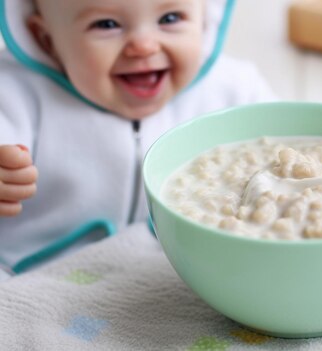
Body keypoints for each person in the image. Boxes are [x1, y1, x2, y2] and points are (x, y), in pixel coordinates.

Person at [0, 0, 274, 277]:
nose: (144, 46)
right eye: (107, 24)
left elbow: (282, 155)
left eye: (170, 18)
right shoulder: (13, 93)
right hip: (33, 272)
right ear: (46, 39)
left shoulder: (234, 91)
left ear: (203, 19)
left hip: (172, 274)